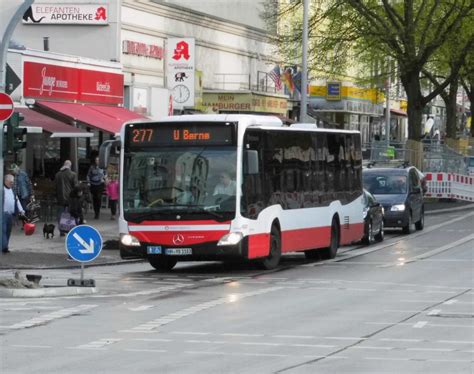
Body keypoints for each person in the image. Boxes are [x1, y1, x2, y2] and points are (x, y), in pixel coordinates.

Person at [3, 174, 25, 254]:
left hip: (10, 214)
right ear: (6, 181)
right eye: (11, 182)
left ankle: (5, 246)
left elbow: (17, 200)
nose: (12, 183)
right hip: (3, 214)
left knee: (8, 231)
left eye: (12, 182)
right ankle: (4, 246)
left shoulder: (12, 190)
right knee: (3, 230)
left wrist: (21, 210)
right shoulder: (2, 190)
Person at [54, 160, 78, 236]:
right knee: (70, 214)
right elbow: (76, 187)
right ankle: (69, 229)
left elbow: (55, 187)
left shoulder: (57, 174)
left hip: (60, 197)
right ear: (70, 166)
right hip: (70, 198)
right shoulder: (73, 174)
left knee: (60, 214)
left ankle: (61, 230)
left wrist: (56, 196)